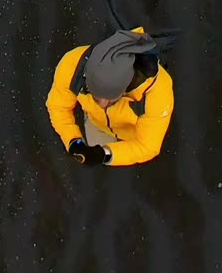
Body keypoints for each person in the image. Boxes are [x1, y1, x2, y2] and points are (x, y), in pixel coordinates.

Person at [45, 25, 175, 167]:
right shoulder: (72, 65)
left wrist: (105, 154)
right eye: (94, 95)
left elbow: (147, 147)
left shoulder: (158, 92)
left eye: (111, 99)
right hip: (97, 124)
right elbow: (58, 107)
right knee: (99, 167)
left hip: (136, 136)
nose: (101, 104)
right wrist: (73, 140)